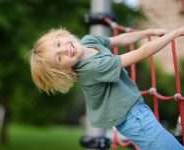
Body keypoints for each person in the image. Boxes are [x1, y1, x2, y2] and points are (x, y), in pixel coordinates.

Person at [30, 27, 184, 150]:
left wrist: (148, 32)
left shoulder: (88, 41)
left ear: (61, 34)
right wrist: (175, 33)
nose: (64, 49)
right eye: (59, 58)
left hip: (136, 108)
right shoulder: (91, 69)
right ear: (63, 70)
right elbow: (141, 53)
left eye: (58, 44)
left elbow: (121, 39)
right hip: (132, 119)